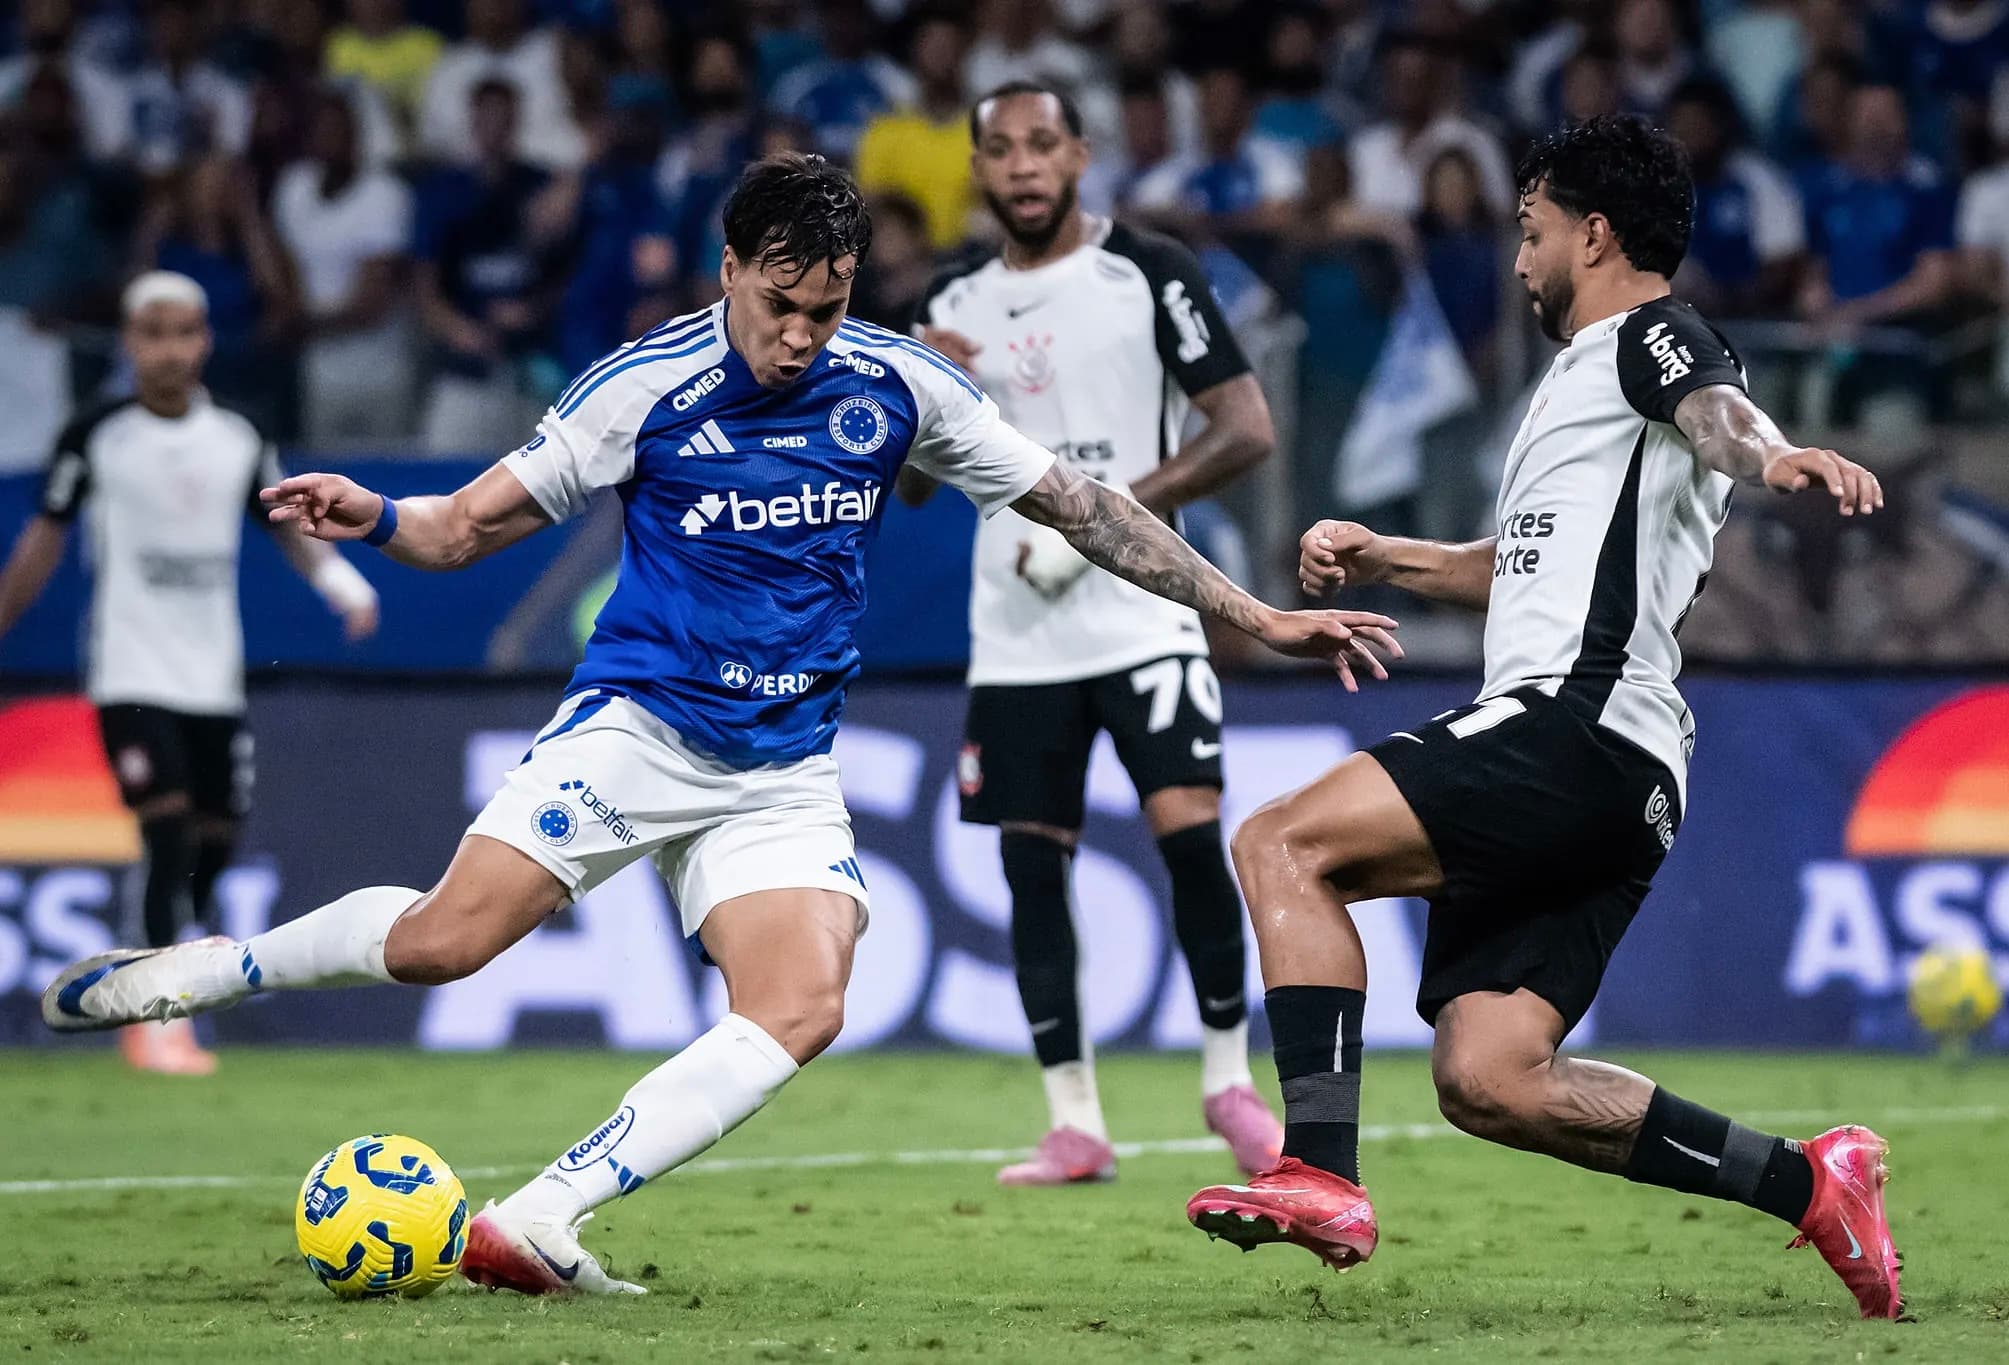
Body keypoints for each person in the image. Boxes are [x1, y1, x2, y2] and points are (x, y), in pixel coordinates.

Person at [41, 155, 1396, 1295]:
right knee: (439, 945)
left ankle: (541, 1217)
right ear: (731, 266)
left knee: (804, 1000)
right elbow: (466, 528)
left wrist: (1250, 613)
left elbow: (1085, 508)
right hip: (637, 729)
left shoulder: (898, 387)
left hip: (783, 770)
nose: (803, 333)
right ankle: (211, 970)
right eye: (783, 301)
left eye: (831, 304)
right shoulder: (644, 385)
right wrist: (381, 518)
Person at [1182, 115, 1905, 1322]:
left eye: (1530, 232)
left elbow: (1721, 414)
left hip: (1572, 726)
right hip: (1628, 774)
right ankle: (1809, 1185)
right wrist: (1385, 557)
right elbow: (1523, 567)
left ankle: (1318, 1168)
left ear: (1594, 232)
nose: (1517, 260)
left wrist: (1774, 457)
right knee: (1490, 1080)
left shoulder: (1650, 337)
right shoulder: (1585, 391)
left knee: (1278, 842)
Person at [898, 80, 1292, 1186]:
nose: (1022, 166)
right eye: (1000, 150)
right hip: (1016, 634)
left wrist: (1103, 515)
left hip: (1145, 613)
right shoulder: (950, 298)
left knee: (1187, 835)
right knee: (1031, 872)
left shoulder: (1150, 271)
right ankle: (1073, 1121)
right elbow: (917, 493)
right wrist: (934, 393)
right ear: (975, 170)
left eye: (1040, 144)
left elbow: (1245, 427)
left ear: (1077, 153)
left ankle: (1228, 1084)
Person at [0, 271, 380, 1076]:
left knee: (216, 839)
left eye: (183, 332)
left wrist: (343, 583)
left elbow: (285, 526)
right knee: (166, 826)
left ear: (203, 340)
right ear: (130, 341)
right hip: (130, 668)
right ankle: (149, 1017)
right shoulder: (97, 432)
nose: (169, 350)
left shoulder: (238, 436)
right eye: (152, 332)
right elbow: (46, 533)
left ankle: (180, 994)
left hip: (213, 673)